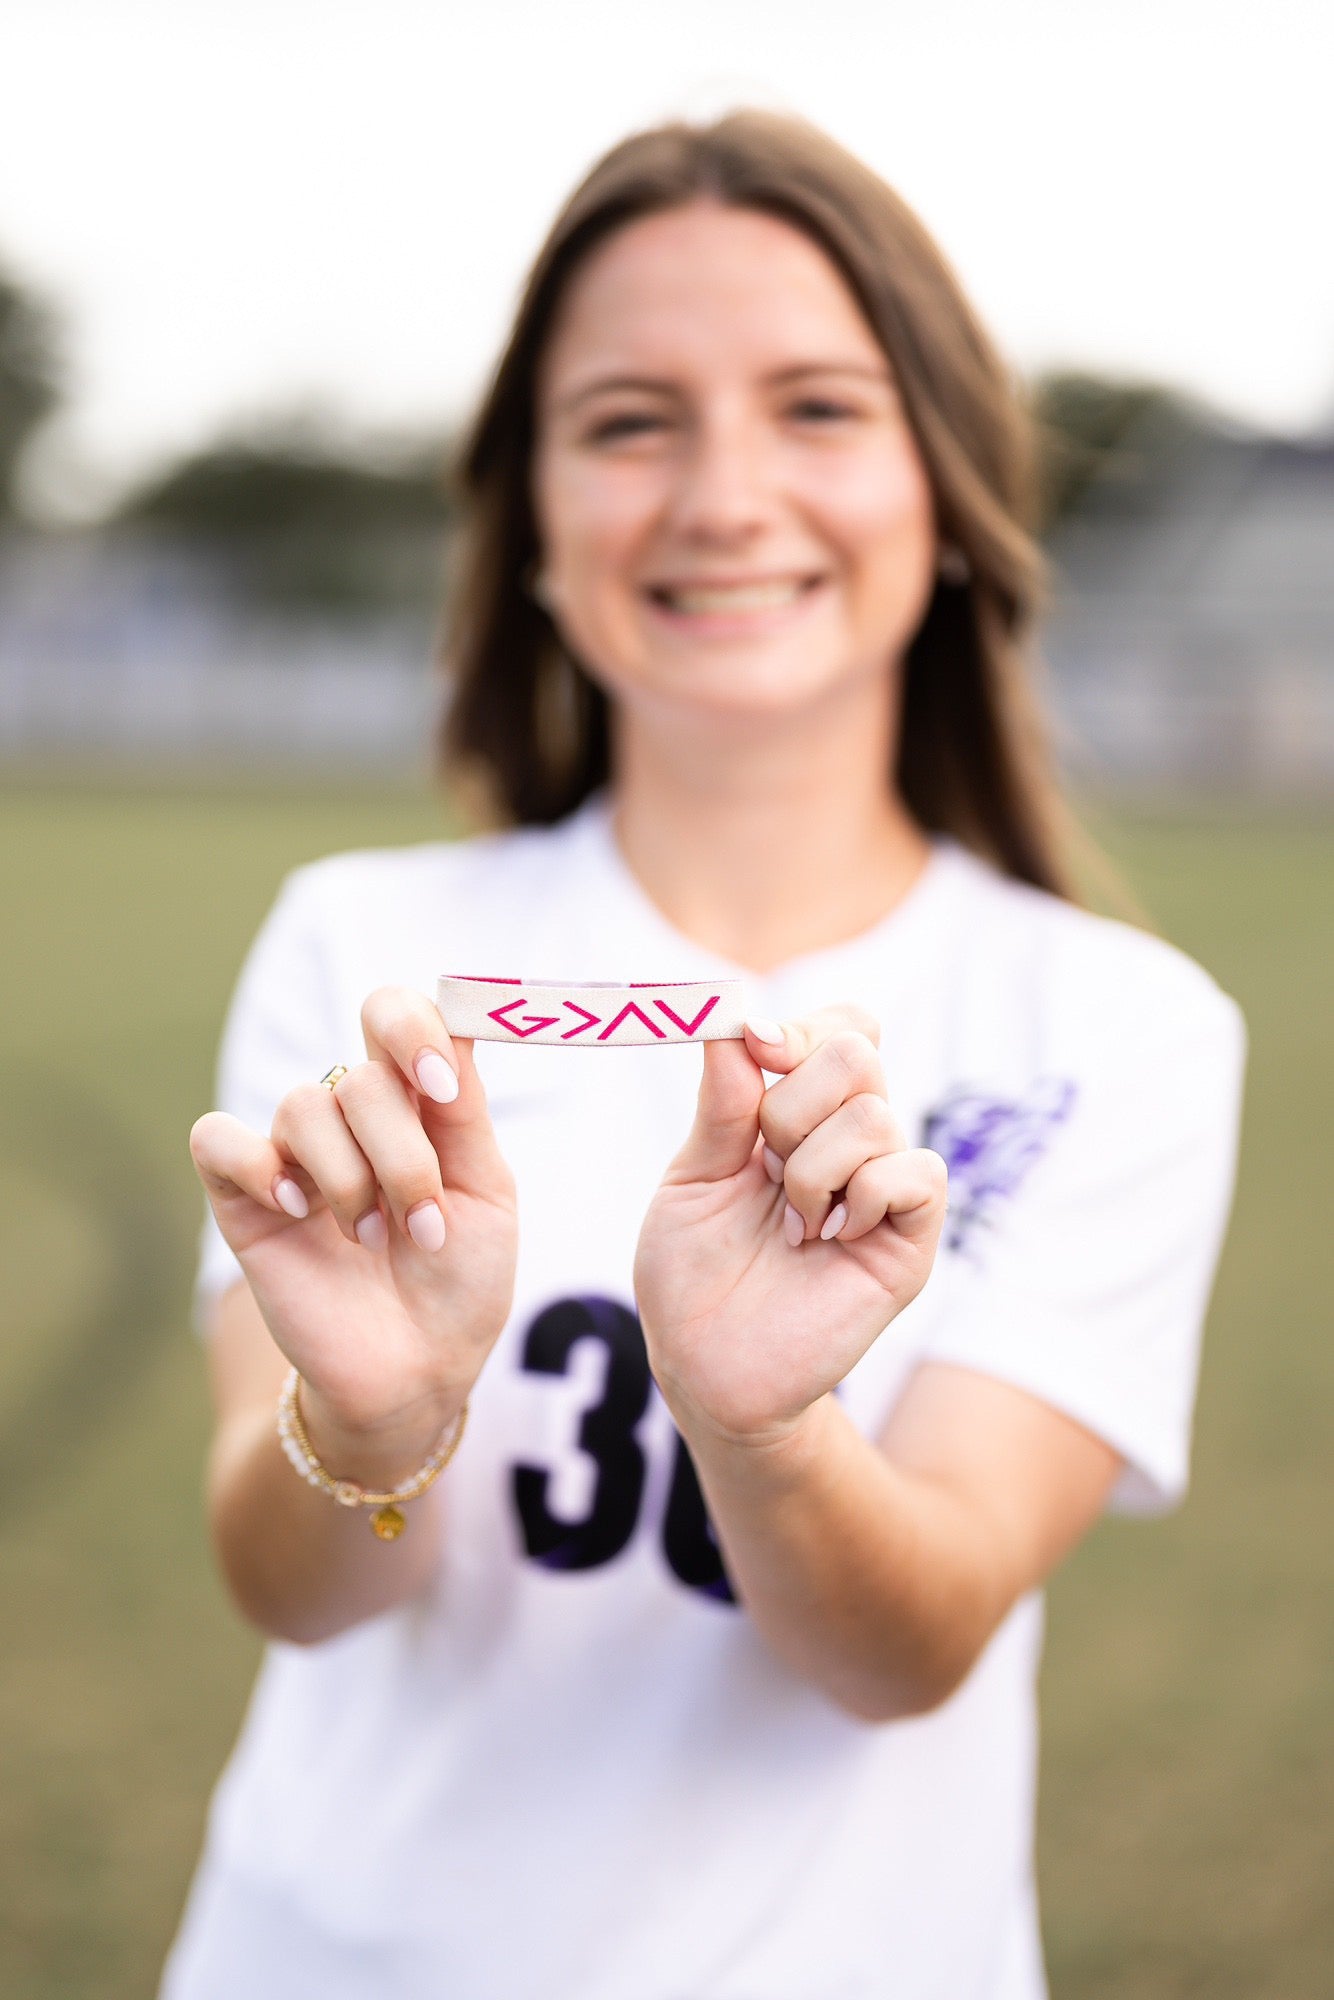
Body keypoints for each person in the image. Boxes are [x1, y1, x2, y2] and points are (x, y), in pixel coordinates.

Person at [165, 112, 1245, 2000]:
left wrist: (761, 1422)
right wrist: (375, 1420)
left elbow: (903, 1649)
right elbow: (288, 1592)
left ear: (946, 486)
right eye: (628, 420)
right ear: (533, 522)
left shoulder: (1115, 1027)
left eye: (818, 407)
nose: (723, 495)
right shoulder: (363, 942)